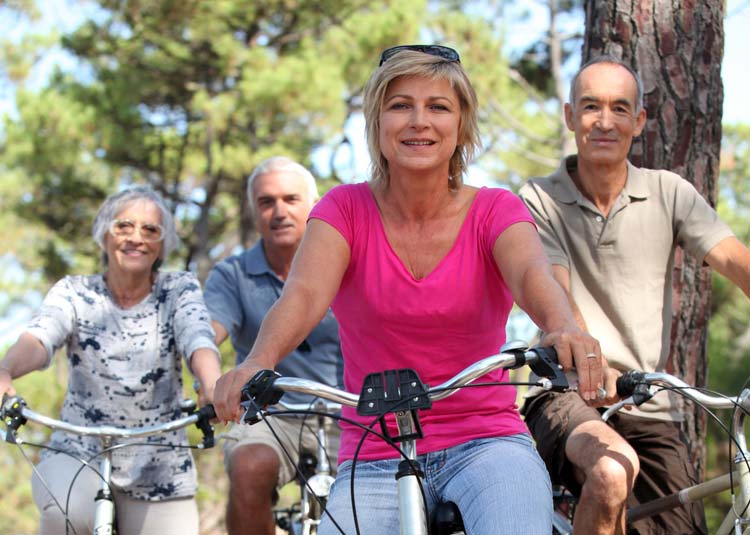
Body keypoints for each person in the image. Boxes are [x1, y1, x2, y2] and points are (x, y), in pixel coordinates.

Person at [213, 45, 605, 535]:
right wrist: (256, 360)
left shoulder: (495, 210)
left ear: (461, 125)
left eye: (438, 107)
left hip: (487, 440)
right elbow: (304, 296)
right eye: (400, 105)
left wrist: (562, 325)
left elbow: (532, 275)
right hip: (376, 447)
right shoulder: (343, 210)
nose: (419, 121)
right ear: (377, 124)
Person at [520, 55, 750, 535]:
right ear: (569, 117)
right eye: (590, 107)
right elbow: (556, 292)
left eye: (619, 108)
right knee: (609, 471)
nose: (605, 121)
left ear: (639, 121)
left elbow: (735, 261)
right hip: (563, 394)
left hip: (646, 403)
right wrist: (587, 356)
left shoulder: (669, 192)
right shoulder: (538, 199)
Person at [0, 186, 222, 535]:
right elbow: (41, 337)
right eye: (124, 226)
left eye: (150, 230)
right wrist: (4, 370)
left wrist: (211, 384)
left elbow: (197, 338)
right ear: (104, 234)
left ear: (164, 245)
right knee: (66, 513)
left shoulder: (178, 289)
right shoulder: (74, 291)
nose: (136, 237)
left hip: (159, 460)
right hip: (78, 449)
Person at [203, 156, 344, 535]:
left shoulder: (347, 260)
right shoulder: (232, 274)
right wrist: (209, 376)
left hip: (348, 410)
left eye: (290, 199)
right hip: (268, 415)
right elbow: (207, 331)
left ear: (314, 205)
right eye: (266, 202)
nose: (279, 211)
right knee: (250, 466)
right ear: (254, 213)